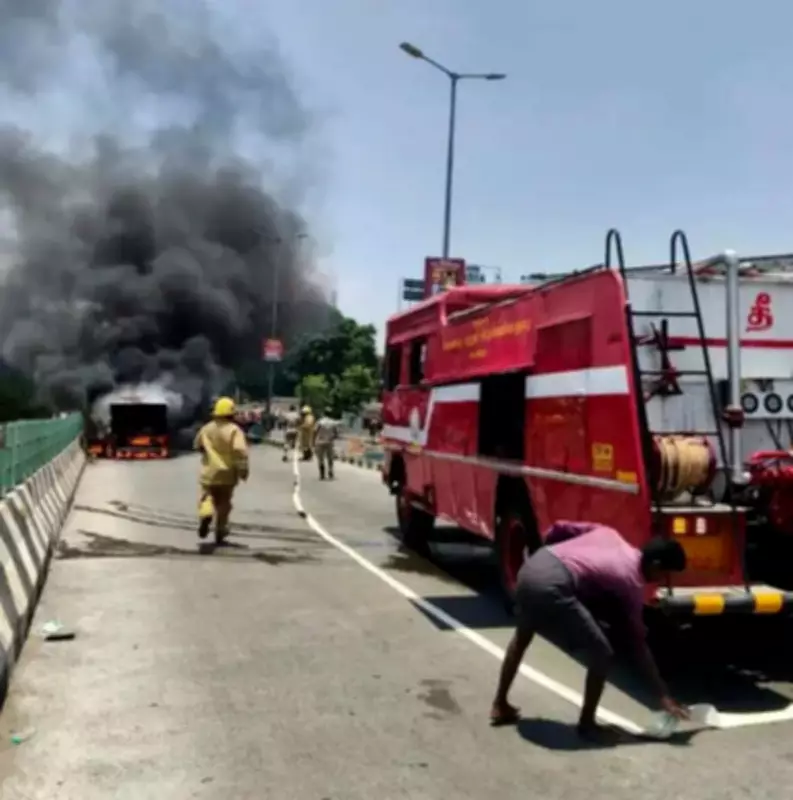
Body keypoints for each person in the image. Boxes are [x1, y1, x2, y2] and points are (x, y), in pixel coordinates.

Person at [490, 521, 690, 740]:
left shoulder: (611, 533)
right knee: (602, 652)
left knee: (522, 636)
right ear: (656, 565)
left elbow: (558, 528)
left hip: (532, 567)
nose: (662, 580)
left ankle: (500, 704)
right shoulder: (630, 581)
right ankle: (587, 724)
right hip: (553, 584)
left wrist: (554, 557)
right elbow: (637, 645)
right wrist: (663, 695)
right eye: (664, 574)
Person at [194, 396, 249, 544]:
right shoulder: (234, 430)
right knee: (224, 503)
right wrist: (243, 471)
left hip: (209, 473)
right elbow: (240, 451)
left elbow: (197, 445)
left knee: (207, 497)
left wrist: (207, 452)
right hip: (227, 475)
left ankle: (206, 514)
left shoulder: (206, 428)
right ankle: (220, 530)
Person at [312, 410, 338, 480]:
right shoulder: (333, 422)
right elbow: (336, 434)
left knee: (320, 459)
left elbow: (315, 431)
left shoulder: (320, 422)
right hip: (329, 442)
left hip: (320, 442)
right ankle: (330, 471)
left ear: (324, 414)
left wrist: (313, 441)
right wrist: (332, 437)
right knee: (330, 458)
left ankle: (322, 474)